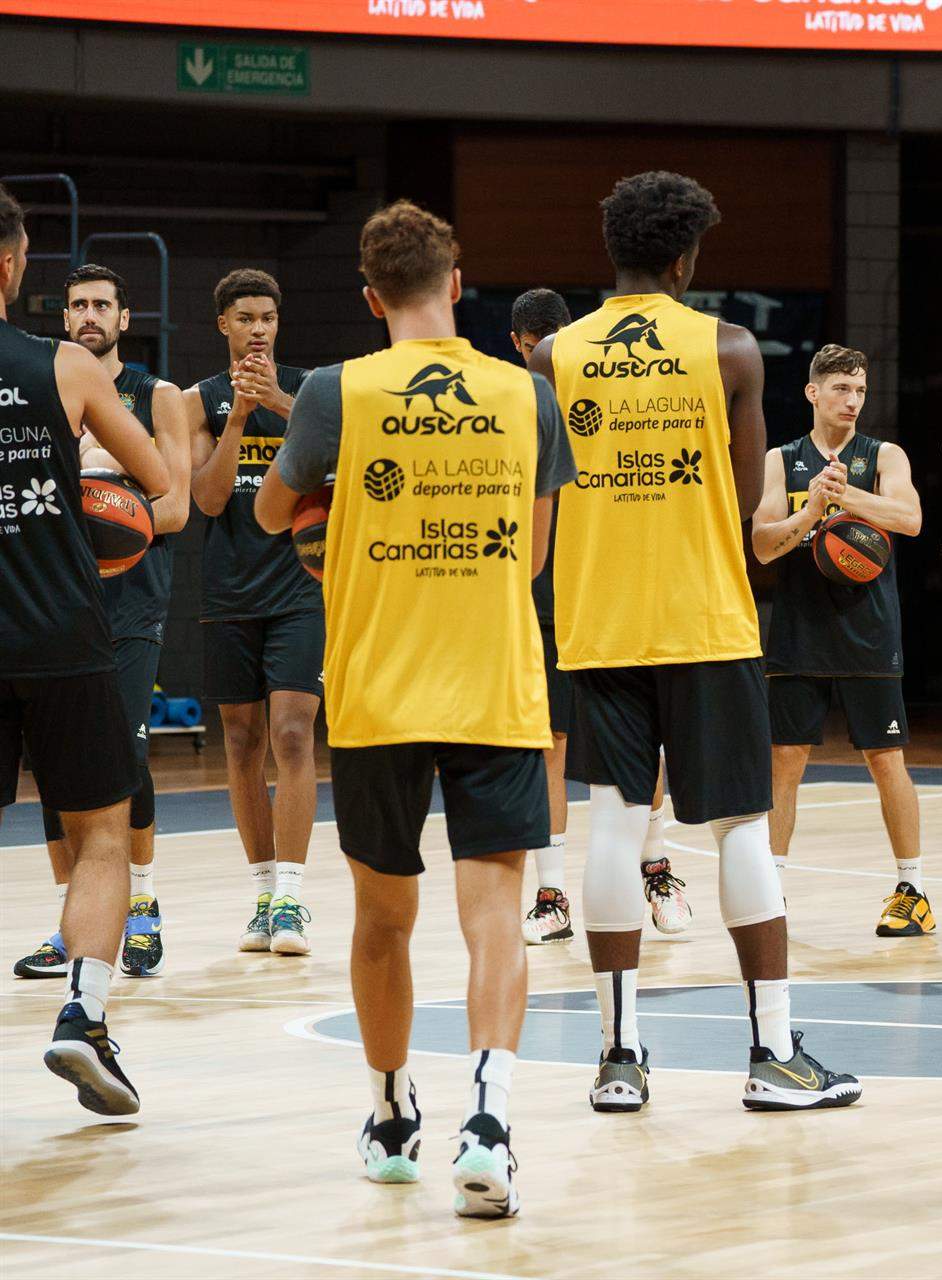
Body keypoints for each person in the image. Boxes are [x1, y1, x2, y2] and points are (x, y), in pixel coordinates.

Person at [258, 200, 573, 1215]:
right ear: (457, 276)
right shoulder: (525, 394)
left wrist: (336, 507)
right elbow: (533, 554)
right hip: (491, 679)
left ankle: (394, 1114)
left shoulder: (330, 391)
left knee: (383, 920)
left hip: (378, 687)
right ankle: (490, 1119)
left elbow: (271, 512)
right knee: (494, 917)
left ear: (367, 295)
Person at [530, 171, 859, 1113]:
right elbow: (751, 488)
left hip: (599, 620)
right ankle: (772, 1054)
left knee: (614, 824)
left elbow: (548, 481)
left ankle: (620, 1060)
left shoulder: (555, 354)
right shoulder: (731, 351)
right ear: (686, 258)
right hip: (705, 616)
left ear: (615, 252)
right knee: (739, 829)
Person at [0, 182, 172, 1114]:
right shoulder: (67, 367)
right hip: (64, 631)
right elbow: (156, 486)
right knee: (102, 836)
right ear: (13, 266)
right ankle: (83, 1017)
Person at [13, 264, 192, 982]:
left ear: (125, 318)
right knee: (56, 775)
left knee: (127, 759)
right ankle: (71, 921)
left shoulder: (159, 397)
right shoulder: (46, 382)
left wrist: (100, 496)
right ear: (64, 318)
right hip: (59, 603)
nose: (90, 314)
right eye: (78, 304)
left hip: (132, 603)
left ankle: (140, 905)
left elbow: (175, 506)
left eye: (103, 305)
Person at [507, 288, 692, 946]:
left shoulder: (609, 402)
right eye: (540, 351)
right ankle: (551, 895)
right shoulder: (512, 411)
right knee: (550, 747)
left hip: (614, 589)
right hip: (544, 600)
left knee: (646, 746)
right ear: (523, 350)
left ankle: (657, 870)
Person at [750, 343, 930, 935]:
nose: (853, 401)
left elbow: (909, 519)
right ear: (813, 393)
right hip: (799, 629)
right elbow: (763, 543)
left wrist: (845, 496)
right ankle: (771, 891)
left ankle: (913, 891)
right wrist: (812, 513)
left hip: (869, 630)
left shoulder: (883, 456)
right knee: (785, 761)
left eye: (860, 390)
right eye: (841, 390)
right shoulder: (782, 459)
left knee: (885, 760)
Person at [184, 268, 321, 956]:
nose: (259, 329)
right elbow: (207, 500)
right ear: (223, 326)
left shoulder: (314, 391)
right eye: (245, 318)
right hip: (230, 591)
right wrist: (239, 415)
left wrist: (280, 403)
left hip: (301, 587)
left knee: (294, 735)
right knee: (241, 744)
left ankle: (294, 900)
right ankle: (264, 895)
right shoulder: (196, 402)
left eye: (267, 317)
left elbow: (347, 461)